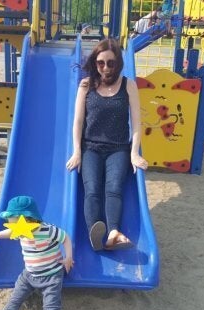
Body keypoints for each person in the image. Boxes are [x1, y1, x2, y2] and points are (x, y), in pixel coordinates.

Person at [66, 39, 149, 251]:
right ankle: (95, 233)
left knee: (113, 188)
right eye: (101, 62)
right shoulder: (86, 86)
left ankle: (113, 232)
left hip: (118, 148)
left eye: (110, 63)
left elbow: (136, 122)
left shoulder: (128, 85)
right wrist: (77, 152)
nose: (105, 67)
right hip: (91, 147)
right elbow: (77, 122)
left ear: (118, 63)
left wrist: (133, 153)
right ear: (95, 63)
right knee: (92, 189)